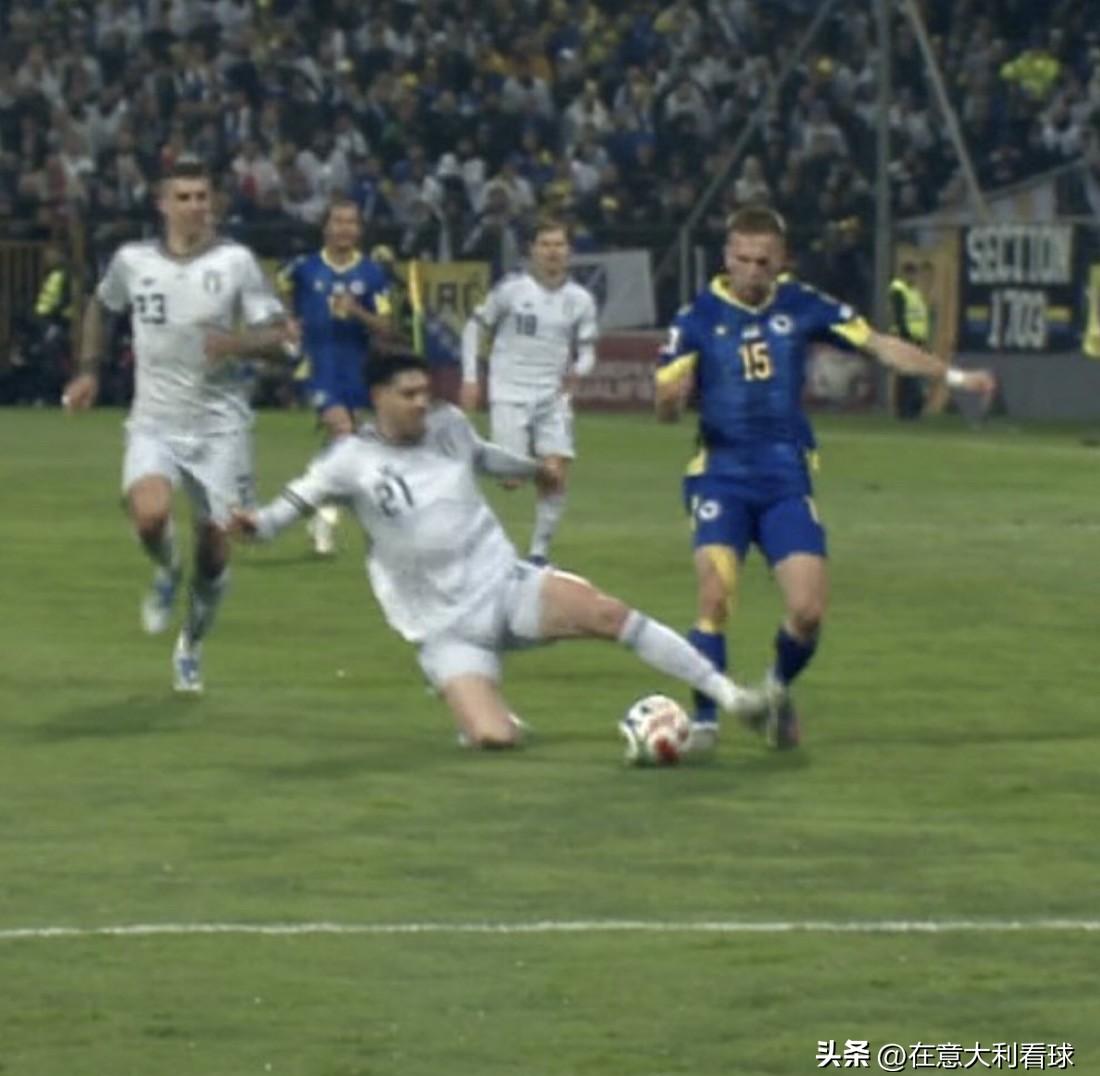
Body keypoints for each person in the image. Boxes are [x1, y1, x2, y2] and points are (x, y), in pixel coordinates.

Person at [232, 353, 765, 747]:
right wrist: (252, 526)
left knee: (609, 614)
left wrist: (535, 471)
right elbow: (284, 512)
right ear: (379, 397)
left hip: (505, 585)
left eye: (425, 392)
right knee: (494, 740)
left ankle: (733, 697)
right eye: (408, 394)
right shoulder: (347, 462)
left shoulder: (447, 425)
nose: (421, 403)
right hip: (443, 627)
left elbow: (484, 456)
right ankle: (488, 713)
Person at [655, 205, 995, 751]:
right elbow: (665, 407)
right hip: (720, 477)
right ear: (727, 257)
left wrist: (953, 376)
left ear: (781, 261)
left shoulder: (802, 304)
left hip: (785, 479)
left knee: (808, 611)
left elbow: (880, 345)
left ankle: (774, 692)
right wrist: (670, 402)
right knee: (714, 597)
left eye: (763, 261)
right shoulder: (695, 318)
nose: (752, 271)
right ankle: (706, 724)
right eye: (742, 259)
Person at [63, 159, 295, 694]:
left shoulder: (236, 262)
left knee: (214, 550)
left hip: (221, 427)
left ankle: (190, 643)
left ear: (213, 203)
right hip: (155, 421)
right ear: (163, 204)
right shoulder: (133, 260)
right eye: (184, 197)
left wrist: (236, 343)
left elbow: (282, 340)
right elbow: (100, 306)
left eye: (201, 197)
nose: (194, 206)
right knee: (149, 515)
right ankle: (167, 571)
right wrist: (89, 370)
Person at [459, 216, 599, 567]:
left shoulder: (580, 300)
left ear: (569, 251)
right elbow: (473, 329)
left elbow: (588, 351)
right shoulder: (511, 290)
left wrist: (578, 371)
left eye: (559, 245)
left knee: (556, 472)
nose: (553, 252)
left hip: (553, 396)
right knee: (511, 480)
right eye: (545, 245)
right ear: (532, 251)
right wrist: (470, 378)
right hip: (510, 392)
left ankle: (538, 556)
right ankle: (464, 473)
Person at [278, 199, 393, 555]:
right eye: (338, 221)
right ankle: (325, 517)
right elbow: (281, 286)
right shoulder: (305, 268)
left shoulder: (372, 274)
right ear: (326, 227)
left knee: (348, 443)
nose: (344, 228)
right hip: (317, 365)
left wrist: (357, 311)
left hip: (355, 366)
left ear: (359, 230)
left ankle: (319, 506)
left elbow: (386, 327)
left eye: (351, 222)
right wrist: (288, 321)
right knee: (342, 431)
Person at [889, 259, 931, 419]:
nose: (913, 277)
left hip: (917, 338)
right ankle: (904, 410)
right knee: (906, 375)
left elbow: (919, 317)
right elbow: (899, 315)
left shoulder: (914, 292)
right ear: (904, 274)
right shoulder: (899, 290)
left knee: (913, 374)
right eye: (910, 274)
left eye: (914, 274)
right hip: (906, 337)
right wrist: (906, 336)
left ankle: (912, 410)